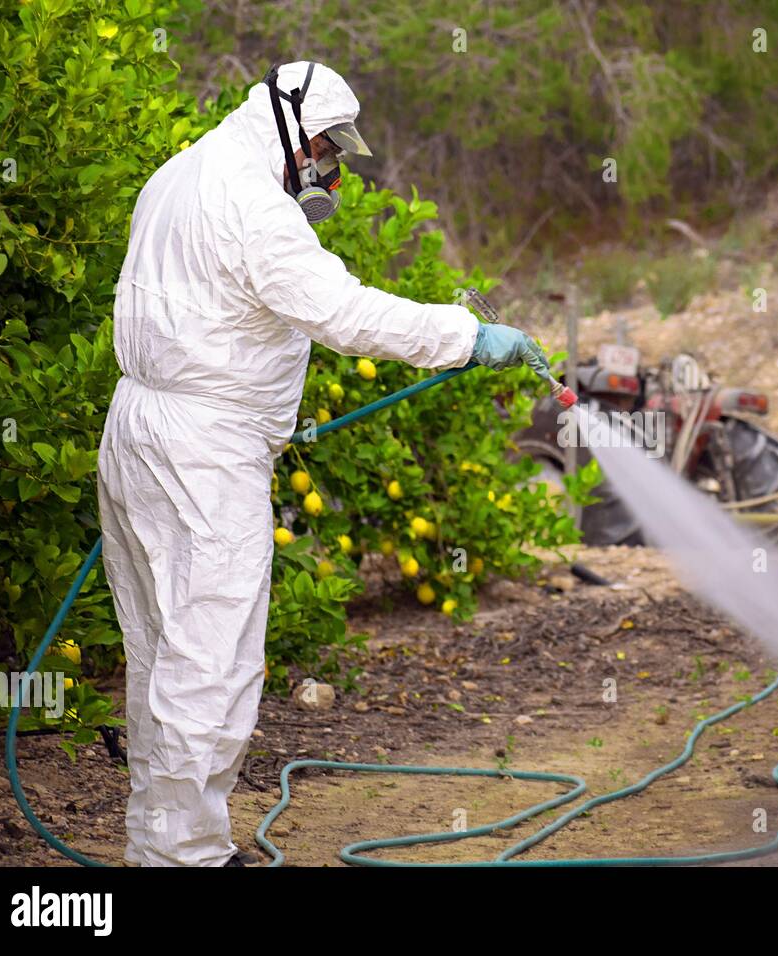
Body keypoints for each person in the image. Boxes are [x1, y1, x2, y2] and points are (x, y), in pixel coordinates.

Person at [98, 61, 545, 866]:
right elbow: (342, 312)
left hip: (139, 428)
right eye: (323, 146)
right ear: (286, 125)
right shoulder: (258, 207)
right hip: (203, 452)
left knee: (162, 651)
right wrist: (467, 338)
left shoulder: (178, 172)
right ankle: (185, 859)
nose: (328, 164)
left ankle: (162, 845)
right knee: (212, 660)